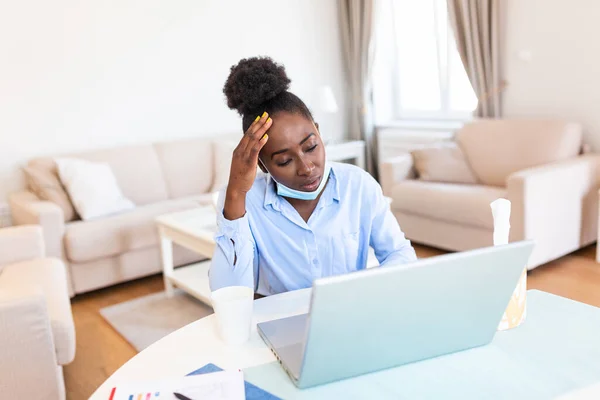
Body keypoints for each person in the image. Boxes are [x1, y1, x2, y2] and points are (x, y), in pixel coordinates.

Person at [209, 56, 416, 296]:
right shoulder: (245, 202)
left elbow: (399, 253)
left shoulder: (357, 185)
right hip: (281, 323)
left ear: (318, 130)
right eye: (284, 161)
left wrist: (368, 289)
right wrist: (236, 193)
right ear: (263, 166)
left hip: (350, 314)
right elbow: (228, 294)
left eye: (311, 147)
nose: (306, 168)